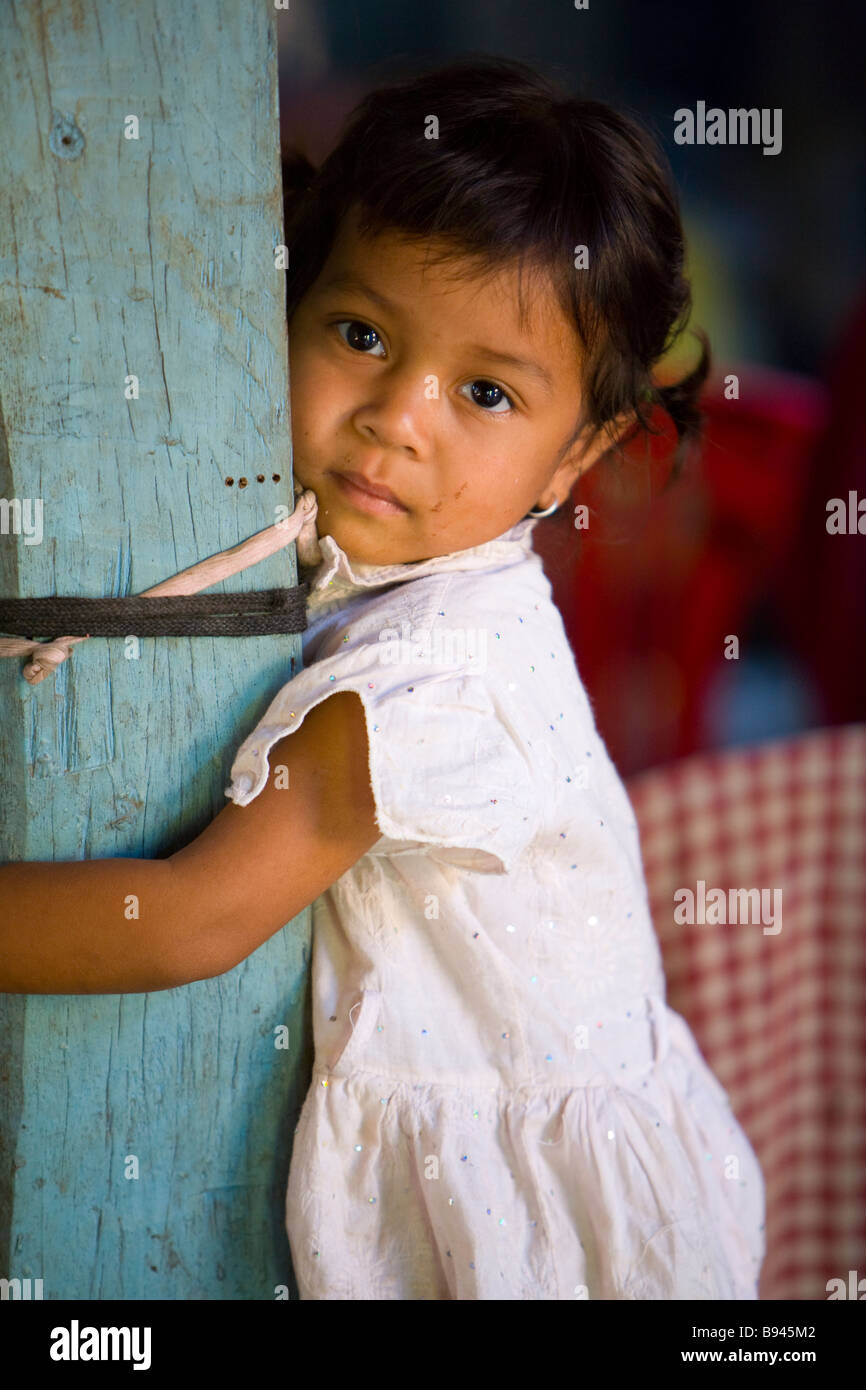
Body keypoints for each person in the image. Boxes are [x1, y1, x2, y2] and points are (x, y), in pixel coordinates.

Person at [0, 56, 765, 1300]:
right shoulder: (382, 572)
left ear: (576, 456)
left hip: (533, 1244)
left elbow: (191, 918)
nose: (397, 417)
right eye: (359, 334)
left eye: (482, 392)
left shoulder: (440, 676)